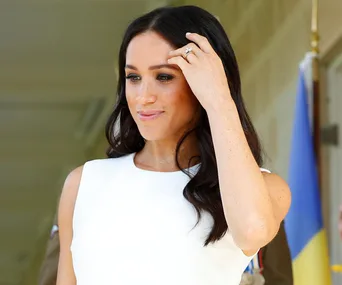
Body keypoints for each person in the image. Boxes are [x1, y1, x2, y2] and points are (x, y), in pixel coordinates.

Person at [56, 5, 291, 285]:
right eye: (133, 77)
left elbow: (252, 231)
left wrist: (219, 100)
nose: (143, 97)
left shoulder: (263, 190)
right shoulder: (84, 184)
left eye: (164, 77)